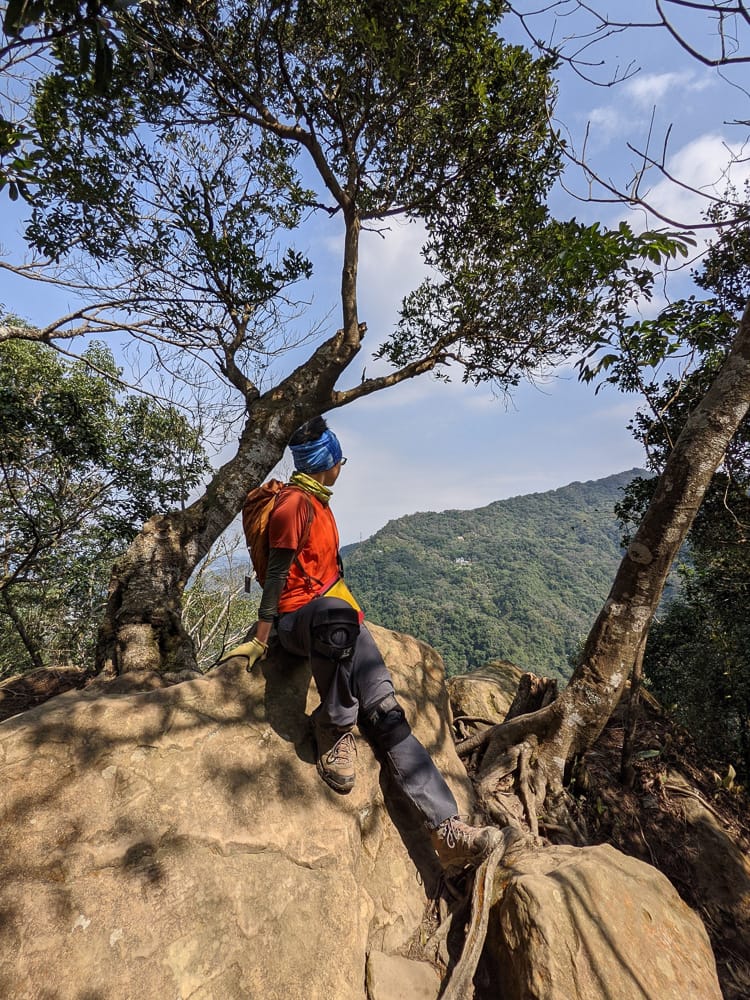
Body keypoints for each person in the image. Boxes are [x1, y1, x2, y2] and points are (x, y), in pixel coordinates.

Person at [225, 416, 501, 872]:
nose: (342, 467)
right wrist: (261, 638)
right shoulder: (295, 504)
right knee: (335, 616)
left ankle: (447, 829)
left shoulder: (318, 502)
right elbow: (277, 575)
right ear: (328, 463)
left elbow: (329, 571)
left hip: (336, 623)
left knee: (388, 714)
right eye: (340, 460)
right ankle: (334, 726)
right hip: (299, 622)